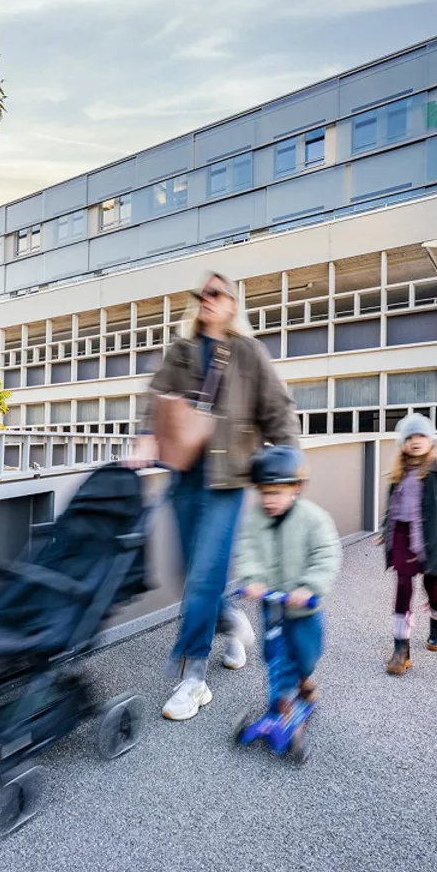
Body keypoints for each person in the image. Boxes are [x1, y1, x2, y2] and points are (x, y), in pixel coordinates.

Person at [128, 271, 299, 721]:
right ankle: (231, 621)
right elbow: (156, 400)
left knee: (204, 576)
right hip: (183, 477)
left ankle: (193, 680)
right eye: (202, 293)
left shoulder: (247, 353)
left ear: (231, 305)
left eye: (216, 293)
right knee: (187, 574)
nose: (206, 298)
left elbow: (278, 411)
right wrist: (146, 437)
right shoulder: (182, 351)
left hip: (226, 483)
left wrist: (289, 469)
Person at [232, 446, 341, 714]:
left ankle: (304, 678)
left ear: (296, 488)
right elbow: (248, 549)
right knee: (273, 655)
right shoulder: (255, 518)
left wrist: (310, 587)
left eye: (276, 493)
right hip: (273, 605)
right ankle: (281, 701)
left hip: (304, 606)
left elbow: (327, 554)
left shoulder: (314, 518)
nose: (268, 500)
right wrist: (253, 579)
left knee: (306, 655)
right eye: (263, 493)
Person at [379, 413, 437, 675]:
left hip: (431, 536)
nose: (415, 441)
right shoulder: (398, 474)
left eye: (421, 435)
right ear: (403, 443)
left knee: (431, 585)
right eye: (409, 437)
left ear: (430, 440)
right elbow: (392, 507)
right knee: (402, 585)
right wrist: (384, 530)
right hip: (402, 534)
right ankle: (401, 649)